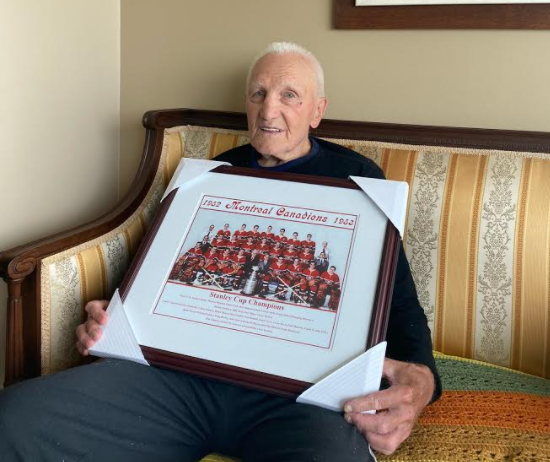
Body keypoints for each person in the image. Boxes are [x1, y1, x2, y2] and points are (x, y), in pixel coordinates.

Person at [0, 42, 440, 462]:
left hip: (301, 397)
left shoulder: (359, 181)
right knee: (13, 419)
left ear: (317, 112)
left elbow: (398, 301)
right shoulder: (209, 178)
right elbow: (156, 278)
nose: (270, 109)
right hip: (178, 382)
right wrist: (111, 321)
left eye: (290, 95)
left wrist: (421, 379)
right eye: (258, 94)